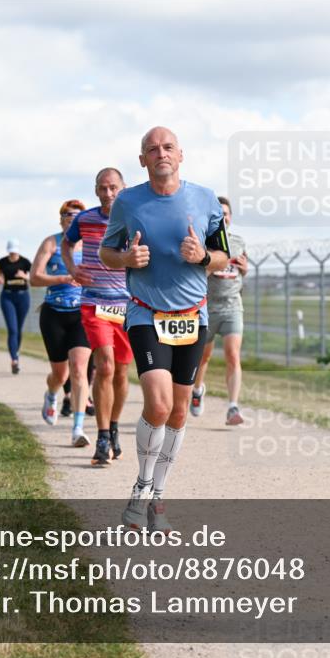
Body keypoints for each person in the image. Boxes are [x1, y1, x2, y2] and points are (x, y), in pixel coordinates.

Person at [99, 126, 230, 532]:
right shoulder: (128, 201)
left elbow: (224, 257)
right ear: (142, 160)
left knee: (177, 411)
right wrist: (126, 259)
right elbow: (106, 252)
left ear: (180, 154)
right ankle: (140, 489)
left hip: (192, 316)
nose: (161, 153)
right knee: (156, 405)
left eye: (168, 147)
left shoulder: (206, 199)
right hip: (144, 313)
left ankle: (158, 495)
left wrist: (202, 256)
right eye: (152, 149)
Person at [63, 169, 133, 465]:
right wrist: (72, 268)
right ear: (96, 190)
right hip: (94, 303)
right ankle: (102, 438)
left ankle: (114, 428)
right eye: (103, 188)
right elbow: (67, 244)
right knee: (104, 365)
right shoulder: (85, 219)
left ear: (123, 188)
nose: (108, 194)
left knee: (120, 372)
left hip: (130, 306)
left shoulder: (135, 218)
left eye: (113, 188)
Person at [32, 199, 93, 446]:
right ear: (61, 219)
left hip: (82, 314)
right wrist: (63, 278)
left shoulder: (90, 245)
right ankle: (51, 393)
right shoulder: (51, 242)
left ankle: (78, 428)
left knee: (79, 369)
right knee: (60, 373)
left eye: (77, 214)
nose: (71, 217)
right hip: (54, 314)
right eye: (67, 214)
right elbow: (34, 278)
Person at [191, 195, 248, 425]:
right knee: (203, 357)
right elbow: (196, 275)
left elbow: (242, 270)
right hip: (207, 307)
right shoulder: (206, 243)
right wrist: (212, 266)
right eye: (219, 215)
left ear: (230, 217)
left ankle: (233, 407)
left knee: (233, 355)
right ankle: (197, 391)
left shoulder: (239, 242)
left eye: (226, 214)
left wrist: (245, 269)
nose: (223, 218)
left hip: (233, 306)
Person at [0, 240, 32, 374]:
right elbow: (0, 275)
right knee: (12, 329)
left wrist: (24, 276)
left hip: (23, 296)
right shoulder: (2, 262)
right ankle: (14, 360)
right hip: (7, 297)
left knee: (18, 329)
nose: (13, 254)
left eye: (15, 251)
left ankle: (16, 352)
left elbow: (34, 277)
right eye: (11, 251)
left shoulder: (25, 262)